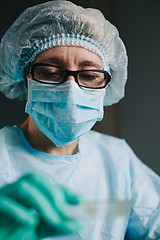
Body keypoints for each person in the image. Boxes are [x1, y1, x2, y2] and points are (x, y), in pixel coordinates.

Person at [0, 1, 160, 239]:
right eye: (50, 73)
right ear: (25, 78)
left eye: (89, 75)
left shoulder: (116, 159)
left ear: (105, 85)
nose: (70, 90)